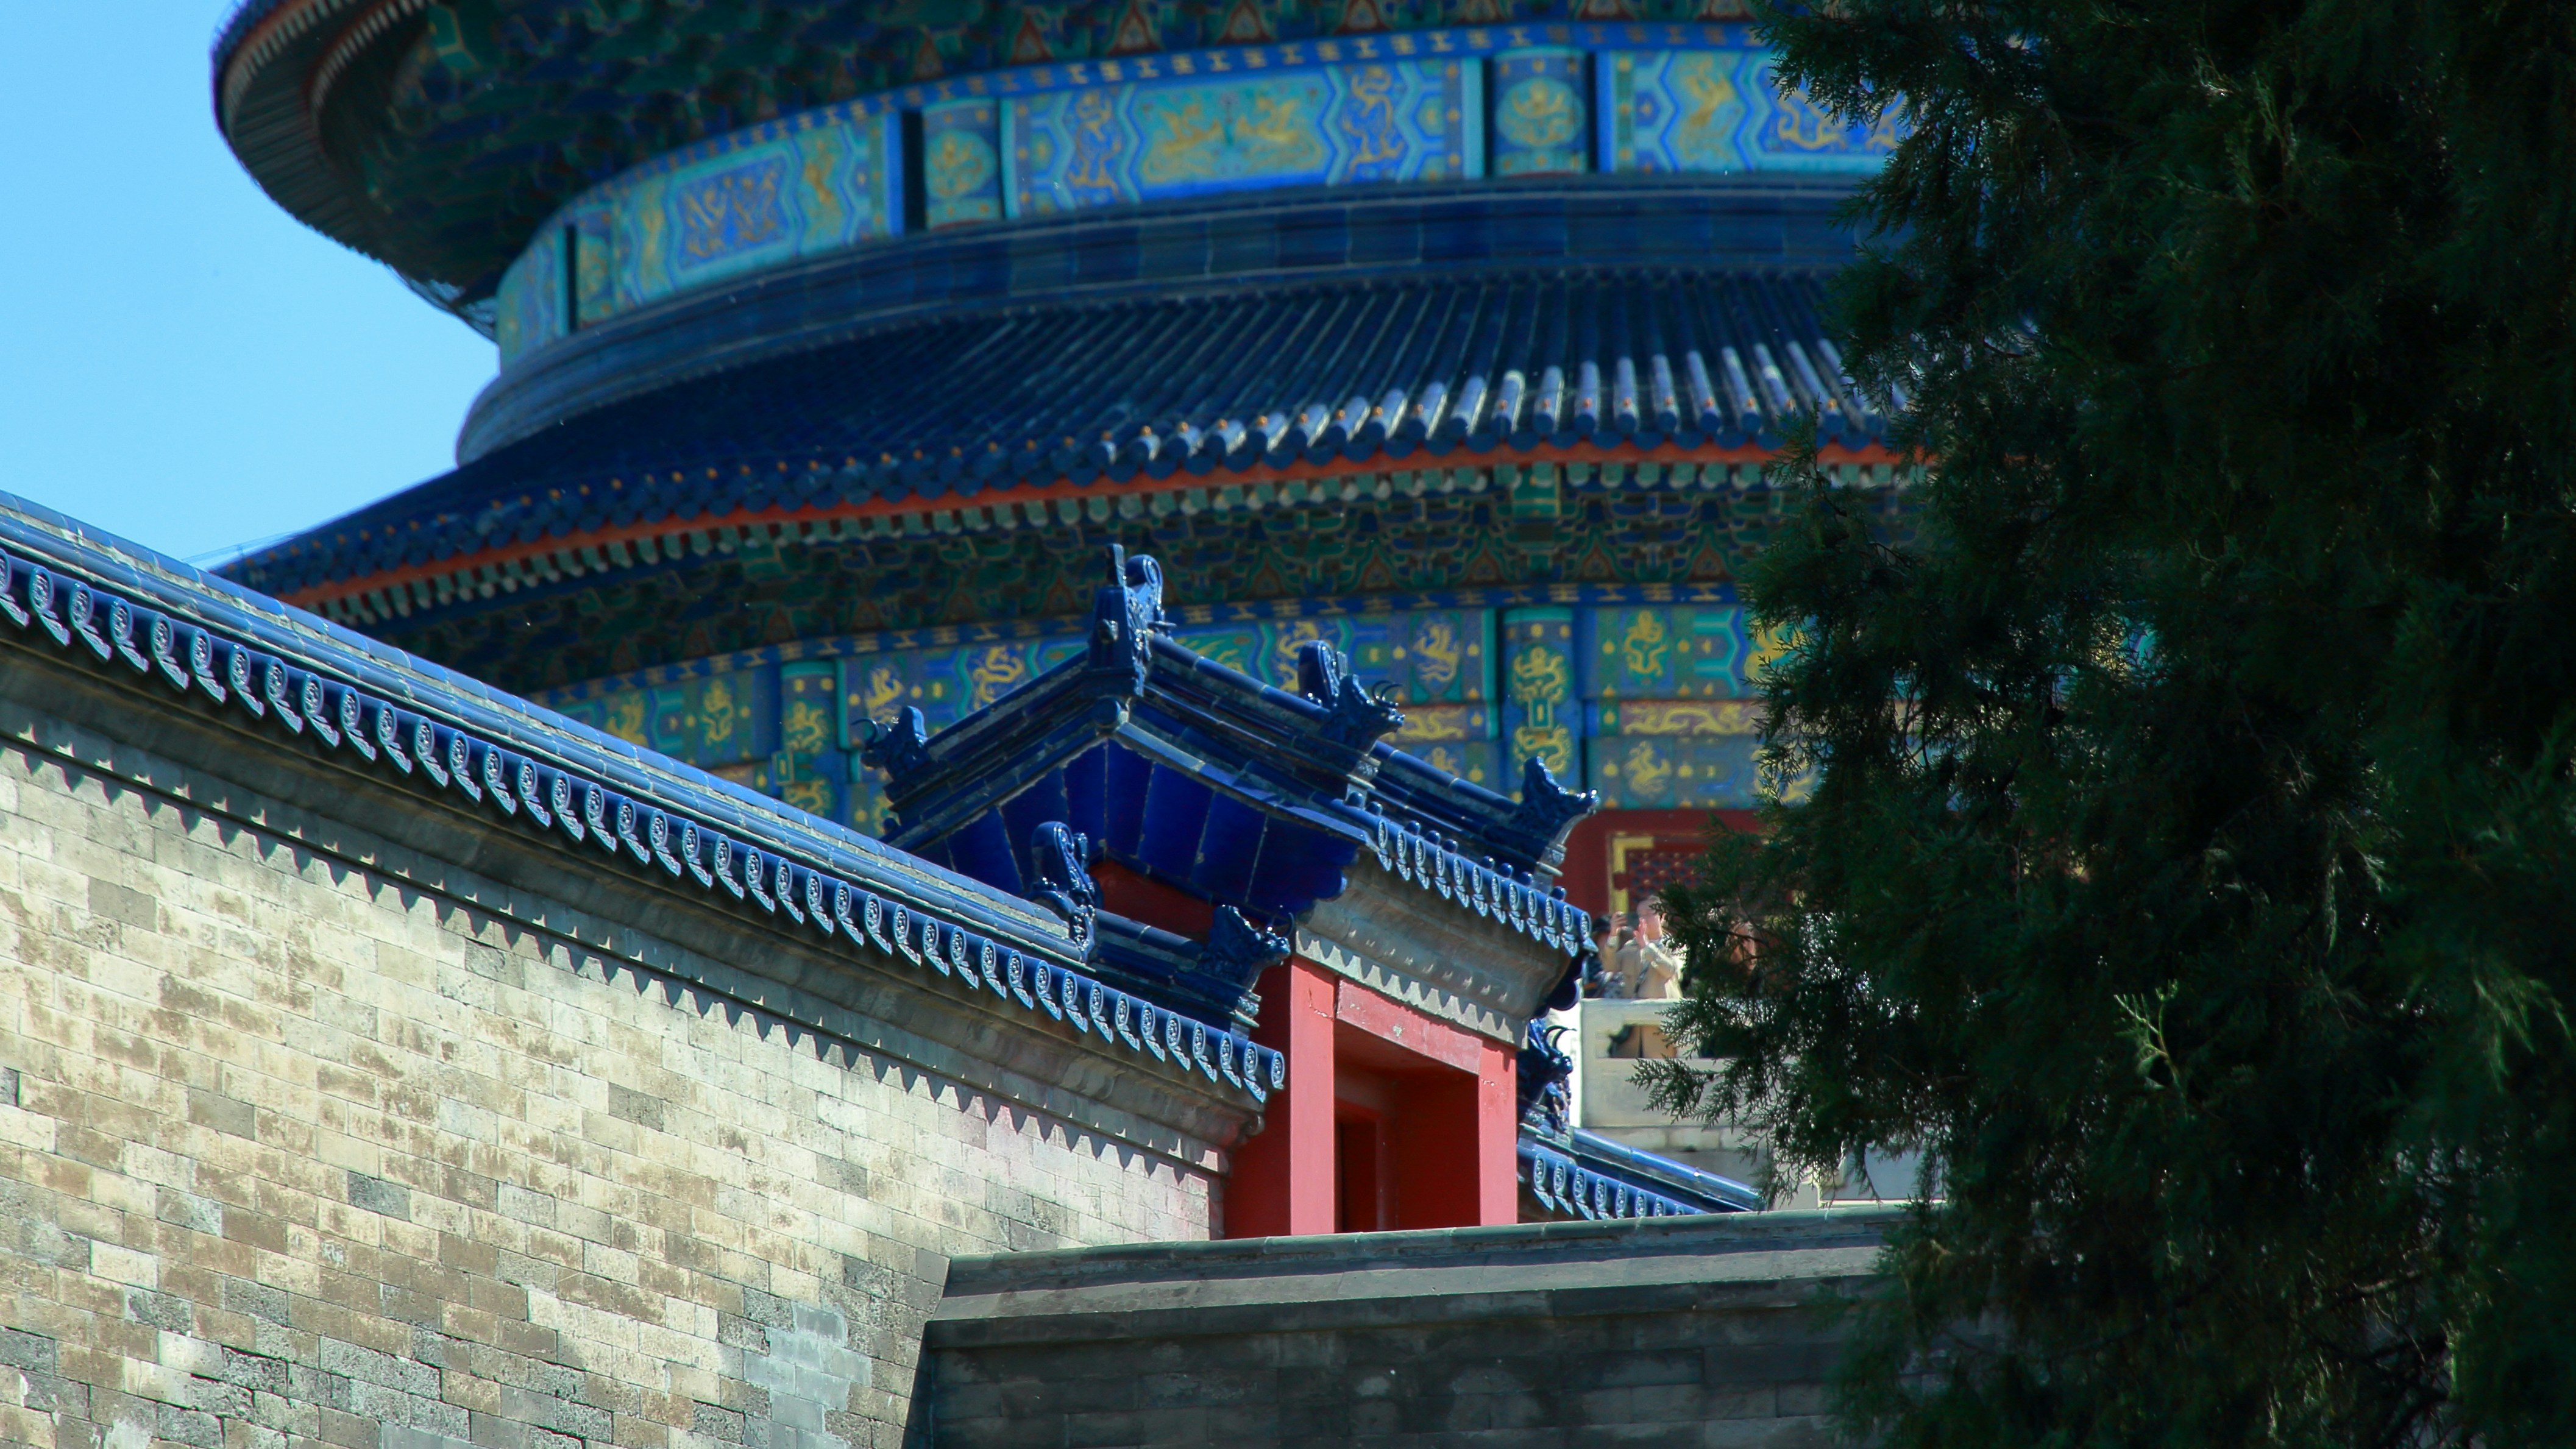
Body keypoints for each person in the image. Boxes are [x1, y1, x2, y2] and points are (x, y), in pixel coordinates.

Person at [1616, 901, 1683, 1001]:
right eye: (1640, 915)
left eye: (1648, 914)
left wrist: (1647, 947)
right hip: (1634, 1008)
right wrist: (1613, 936)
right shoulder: (1630, 946)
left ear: (1662, 917)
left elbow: (1671, 971)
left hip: (1664, 1007)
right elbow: (1610, 967)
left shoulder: (1677, 946)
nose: (1643, 919)